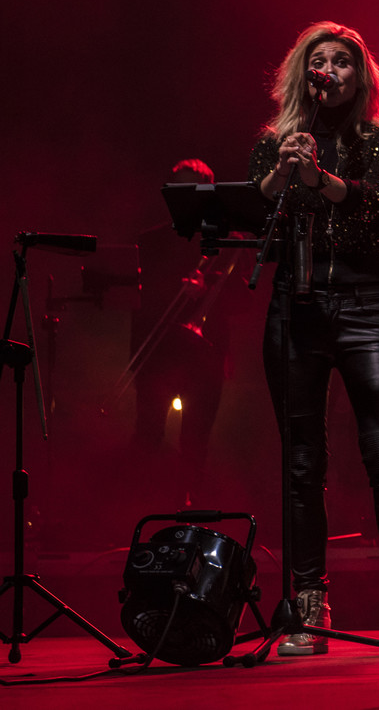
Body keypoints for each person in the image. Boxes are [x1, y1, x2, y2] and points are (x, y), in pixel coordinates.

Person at [248, 22, 379, 655]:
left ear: (361, 75)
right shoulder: (275, 143)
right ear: (302, 73)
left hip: (366, 305)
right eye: (318, 60)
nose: (329, 69)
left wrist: (318, 177)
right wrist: (283, 173)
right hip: (294, 308)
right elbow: (256, 213)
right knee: (301, 464)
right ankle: (308, 608)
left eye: (343, 61)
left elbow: (373, 205)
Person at [130, 159, 233, 504]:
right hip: (157, 353)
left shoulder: (226, 240)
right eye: (176, 189)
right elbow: (138, 300)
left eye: (191, 189)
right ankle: (143, 506)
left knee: (195, 441)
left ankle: (191, 509)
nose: (182, 196)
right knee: (147, 436)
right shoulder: (150, 241)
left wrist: (208, 286)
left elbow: (243, 297)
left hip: (204, 357)